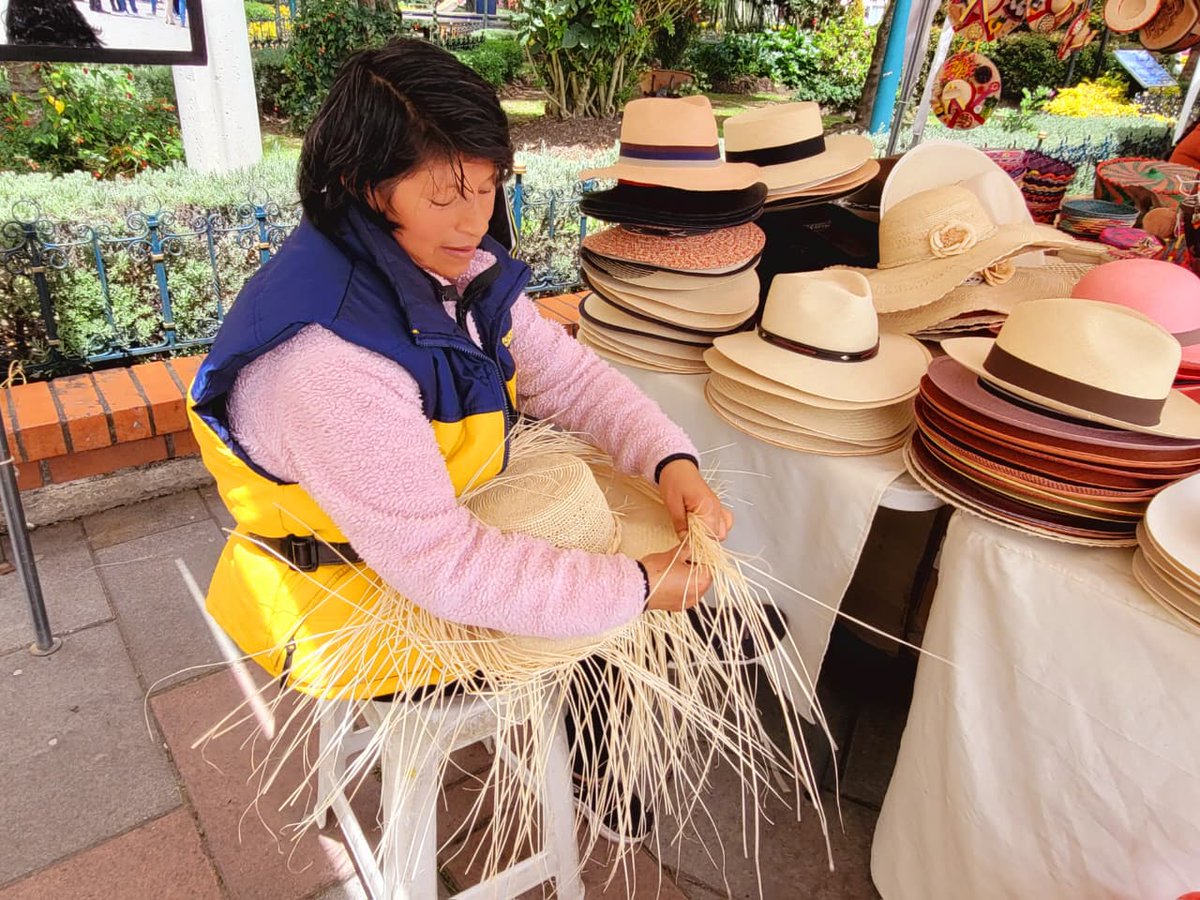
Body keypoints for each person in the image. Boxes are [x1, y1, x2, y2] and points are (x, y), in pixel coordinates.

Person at [188, 38, 732, 843]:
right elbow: (443, 568)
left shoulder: (450, 271)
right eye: (445, 194)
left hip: (408, 543)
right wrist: (634, 587)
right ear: (362, 185)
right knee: (617, 594)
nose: (474, 219)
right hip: (356, 602)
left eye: (486, 186)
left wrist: (668, 457)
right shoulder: (330, 363)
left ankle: (599, 743)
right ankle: (596, 758)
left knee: (609, 549)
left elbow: (569, 379)